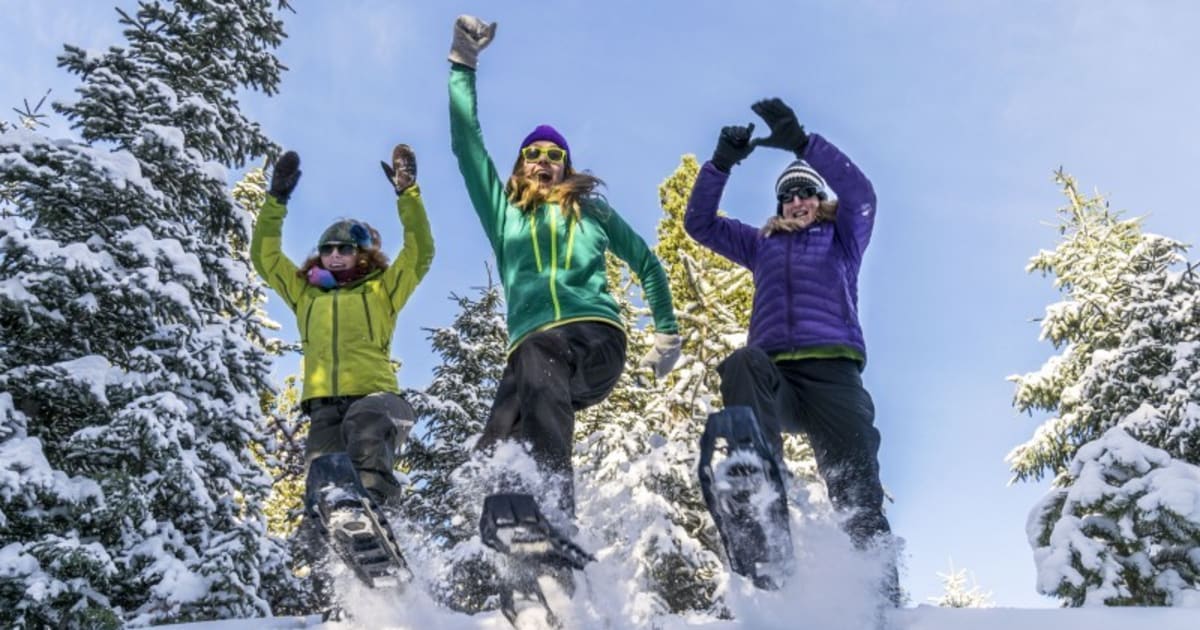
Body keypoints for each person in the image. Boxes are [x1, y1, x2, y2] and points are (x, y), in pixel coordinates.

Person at [446, 15, 681, 522]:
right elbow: (467, 147)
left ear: (565, 167)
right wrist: (463, 63)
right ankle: (522, 572)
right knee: (496, 445)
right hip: (532, 362)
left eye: (555, 154)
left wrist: (667, 334)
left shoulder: (590, 211)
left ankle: (553, 514)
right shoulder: (504, 212)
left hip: (593, 340)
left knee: (538, 354)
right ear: (520, 165)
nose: (543, 159)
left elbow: (646, 261)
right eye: (533, 153)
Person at [685, 98, 898, 602]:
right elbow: (701, 224)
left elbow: (862, 194)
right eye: (787, 196)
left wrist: (804, 144)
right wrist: (719, 165)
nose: (797, 201)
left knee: (856, 485)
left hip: (833, 378)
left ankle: (880, 601)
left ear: (818, 198)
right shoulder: (762, 243)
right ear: (779, 206)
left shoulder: (843, 236)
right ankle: (760, 512)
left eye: (806, 193)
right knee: (741, 362)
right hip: (774, 379)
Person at [251, 146, 433, 510]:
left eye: (345, 249)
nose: (334, 255)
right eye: (327, 248)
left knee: (364, 431)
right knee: (323, 489)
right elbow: (264, 257)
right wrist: (277, 199)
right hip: (324, 409)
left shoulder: (382, 289)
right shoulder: (306, 294)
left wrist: (407, 193)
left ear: (362, 254)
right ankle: (326, 558)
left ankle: (379, 510)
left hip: (375, 398)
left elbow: (420, 251)